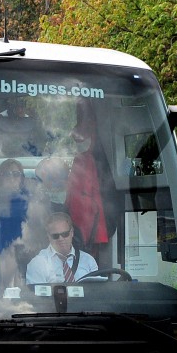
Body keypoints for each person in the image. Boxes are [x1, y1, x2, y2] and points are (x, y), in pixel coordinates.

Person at [65, 103, 117, 250]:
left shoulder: (88, 161)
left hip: (87, 230)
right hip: (84, 229)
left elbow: (85, 204)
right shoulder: (84, 160)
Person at [25, 212, 98, 284]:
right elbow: (36, 295)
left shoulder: (88, 261)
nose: (61, 239)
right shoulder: (37, 264)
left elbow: (96, 291)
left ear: (72, 232)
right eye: (55, 236)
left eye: (65, 234)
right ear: (48, 236)